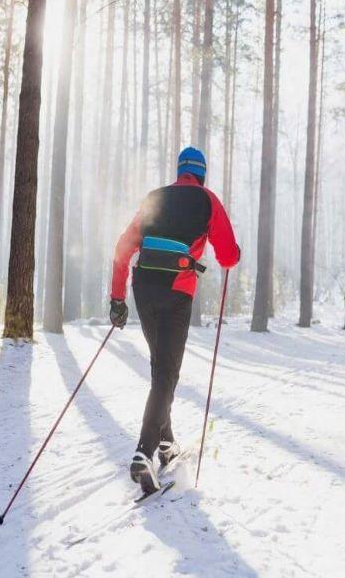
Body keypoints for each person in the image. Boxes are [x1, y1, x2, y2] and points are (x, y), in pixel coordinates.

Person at [109, 147, 240, 494]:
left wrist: (117, 299)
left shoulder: (155, 197)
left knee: (160, 368)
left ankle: (166, 444)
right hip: (177, 291)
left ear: (179, 170)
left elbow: (123, 248)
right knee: (166, 373)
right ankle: (143, 452)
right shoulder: (206, 200)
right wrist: (234, 254)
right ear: (202, 174)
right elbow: (228, 255)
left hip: (144, 287)